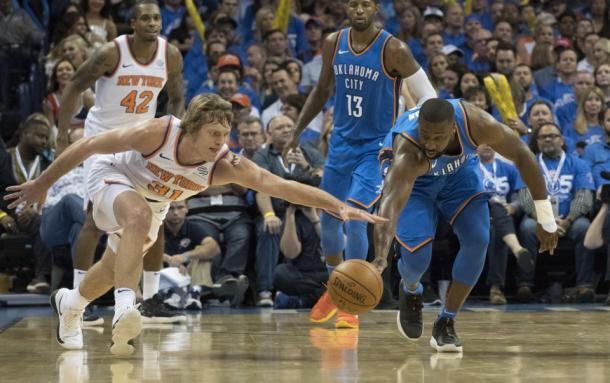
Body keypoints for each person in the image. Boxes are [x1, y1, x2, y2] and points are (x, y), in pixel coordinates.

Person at [5, 94, 385, 355]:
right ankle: (125, 307)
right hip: (110, 176)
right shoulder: (158, 132)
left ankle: (71, 304)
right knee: (135, 217)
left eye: (226, 134)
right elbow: (88, 146)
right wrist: (42, 183)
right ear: (191, 128)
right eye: (215, 134)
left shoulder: (223, 164)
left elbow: (282, 186)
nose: (223, 142)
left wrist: (340, 207)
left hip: (152, 203)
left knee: (112, 264)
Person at [283, 0, 436, 329]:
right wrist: (296, 132)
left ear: (376, 8)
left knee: (354, 215)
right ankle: (336, 289)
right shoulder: (333, 43)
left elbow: (429, 97)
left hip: (376, 147)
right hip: (340, 142)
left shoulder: (393, 49)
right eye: (354, 3)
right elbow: (322, 90)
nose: (359, 9)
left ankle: (350, 301)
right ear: (345, 7)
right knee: (328, 217)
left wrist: (408, 135)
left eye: (366, 3)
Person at [372, 98, 558, 353]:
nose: (430, 143)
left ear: (453, 129)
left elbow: (523, 156)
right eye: (426, 135)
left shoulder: (476, 123)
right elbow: (389, 207)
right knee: (416, 261)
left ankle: (446, 320)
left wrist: (545, 218)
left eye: (438, 137)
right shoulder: (409, 151)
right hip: (417, 186)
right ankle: (411, 289)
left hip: (459, 176)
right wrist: (381, 258)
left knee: (479, 239)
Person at [56, 0, 185, 324]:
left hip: (141, 142)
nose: (153, 23)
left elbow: (178, 97)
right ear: (133, 24)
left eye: (157, 17)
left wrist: (172, 133)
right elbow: (74, 86)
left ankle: (152, 298)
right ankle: (77, 299)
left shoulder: (170, 54)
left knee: (153, 213)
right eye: (146, 18)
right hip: (101, 140)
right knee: (92, 220)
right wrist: (61, 136)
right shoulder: (111, 53)